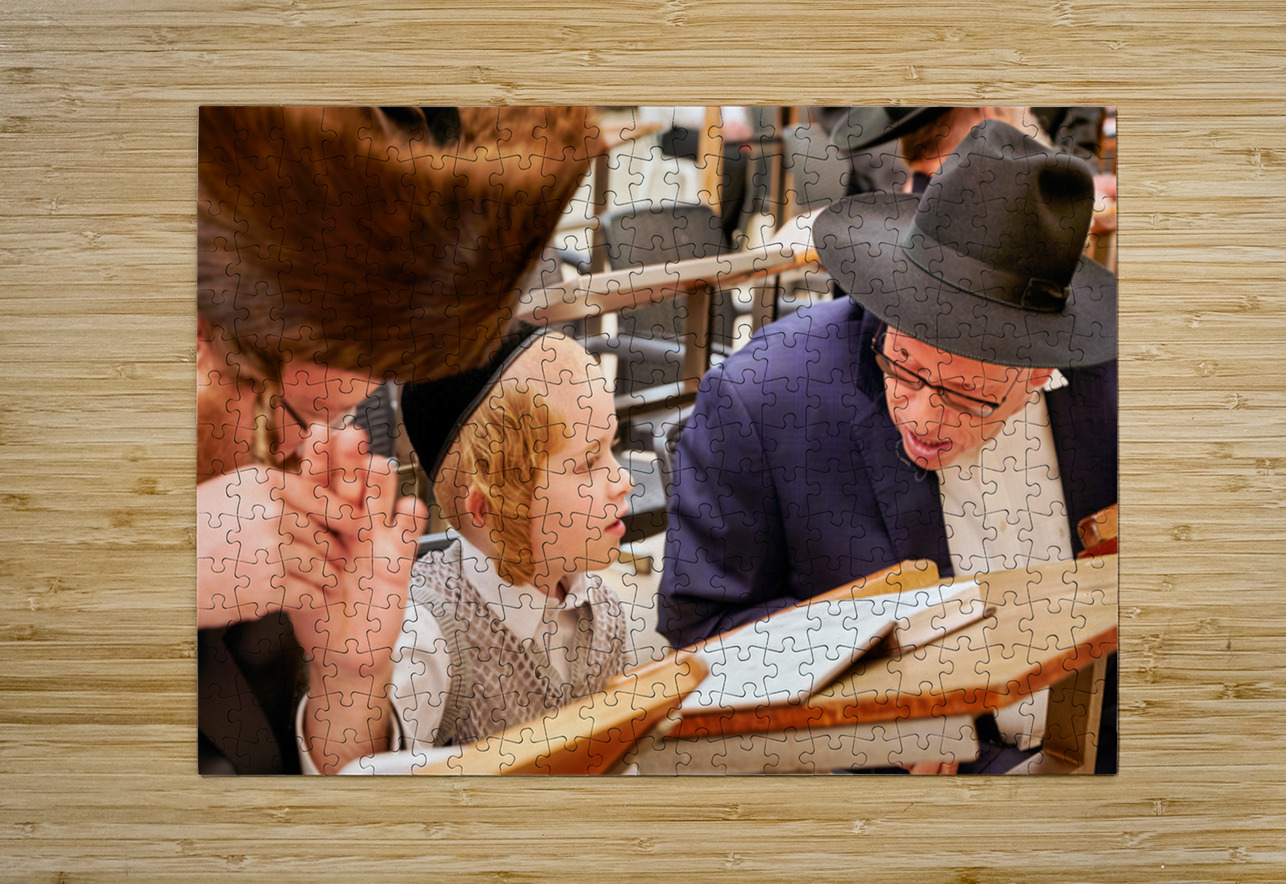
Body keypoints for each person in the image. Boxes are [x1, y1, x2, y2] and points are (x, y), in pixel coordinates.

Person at [658, 120, 1118, 771]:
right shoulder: (761, 397)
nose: (922, 414)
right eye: (901, 364)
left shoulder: (1117, 390)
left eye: (966, 393)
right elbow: (701, 635)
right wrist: (875, 711)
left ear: (1042, 369)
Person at [197, 106, 597, 774]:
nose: (311, 456)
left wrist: (350, 680)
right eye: (285, 412)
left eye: (346, 416)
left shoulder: (265, 538)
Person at [389, 330, 634, 751]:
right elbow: (368, 789)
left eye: (613, 448)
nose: (624, 481)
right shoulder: (425, 639)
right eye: (589, 462)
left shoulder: (604, 613)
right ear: (489, 507)